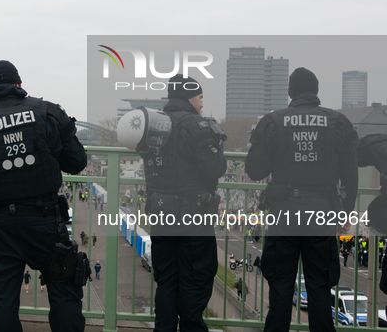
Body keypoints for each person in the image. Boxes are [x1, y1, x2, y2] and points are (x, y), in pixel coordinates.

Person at [0, 60, 87, 331]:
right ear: (19, 84)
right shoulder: (49, 112)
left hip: (0, 226)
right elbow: (77, 161)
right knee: (64, 289)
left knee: (2, 300)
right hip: (45, 220)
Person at [245, 67, 358, 332]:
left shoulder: (273, 122)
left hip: (284, 213)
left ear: (290, 93)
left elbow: (254, 170)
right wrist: (345, 213)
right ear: (316, 92)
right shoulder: (338, 122)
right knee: (319, 288)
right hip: (322, 212)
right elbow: (350, 176)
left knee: (281, 285)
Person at [137, 74, 227, 332]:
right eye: (200, 98)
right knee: (195, 281)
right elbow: (215, 168)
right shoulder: (196, 125)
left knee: (166, 281)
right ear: (190, 97)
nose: (200, 104)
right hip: (192, 217)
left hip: (161, 213)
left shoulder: (154, 125)